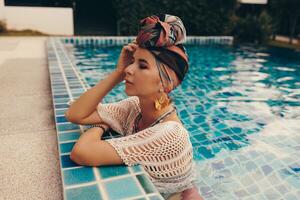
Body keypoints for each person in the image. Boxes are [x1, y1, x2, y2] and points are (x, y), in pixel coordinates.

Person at [65, 14, 202, 200]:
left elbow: (81, 153)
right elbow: (75, 114)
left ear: (166, 83)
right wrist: (118, 73)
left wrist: (102, 124)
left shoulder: (170, 134)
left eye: (142, 66)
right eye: (132, 62)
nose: (130, 69)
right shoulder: (134, 108)